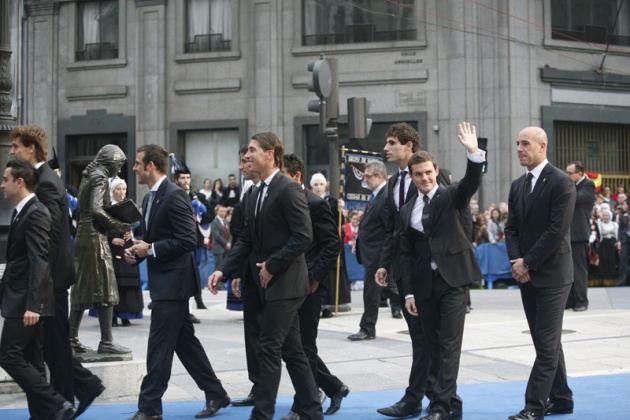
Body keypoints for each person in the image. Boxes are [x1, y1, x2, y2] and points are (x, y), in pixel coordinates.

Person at [208, 132, 323, 420]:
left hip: (287, 283)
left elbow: (303, 235)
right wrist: (224, 269)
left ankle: (262, 414)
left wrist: (272, 265)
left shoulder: (288, 188)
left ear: (270, 154)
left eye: (252, 150)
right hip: (269, 284)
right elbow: (246, 240)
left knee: (269, 348)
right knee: (293, 351)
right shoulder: (255, 193)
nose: (246, 155)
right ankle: (311, 410)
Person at [125, 144, 230, 420]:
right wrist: (136, 251)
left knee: (159, 347)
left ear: (150, 166)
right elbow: (150, 239)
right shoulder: (149, 199)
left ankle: (149, 407)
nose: (133, 168)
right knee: (185, 343)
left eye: (137, 163)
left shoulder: (175, 196)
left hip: (174, 285)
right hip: (164, 282)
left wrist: (150, 249)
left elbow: (187, 240)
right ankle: (216, 393)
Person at [9, 124, 105, 415]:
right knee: (50, 345)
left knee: (54, 344)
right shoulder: (42, 178)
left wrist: (40, 285)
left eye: (16, 147)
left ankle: (69, 399)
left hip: (51, 279)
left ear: (31, 149)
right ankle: (75, 394)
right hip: (48, 279)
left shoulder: (47, 182)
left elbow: (47, 235)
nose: (11, 151)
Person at [399, 122, 484, 420]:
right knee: (434, 347)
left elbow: (471, 182)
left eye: (428, 172)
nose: (424, 178)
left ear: (436, 171)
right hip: (423, 285)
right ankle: (452, 406)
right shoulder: (408, 209)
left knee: (448, 345)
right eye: (418, 174)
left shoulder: (450, 196)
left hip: (453, 281)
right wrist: (407, 291)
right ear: (411, 176)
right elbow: (405, 253)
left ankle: (438, 407)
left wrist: (474, 154)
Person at [504, 126, 575, 420]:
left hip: (553, 276)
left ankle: (534, 406)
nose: (519, 148)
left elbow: (556, 231)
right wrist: (516, 262)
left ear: (542, 146)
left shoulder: (561, 182)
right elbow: (511, 229)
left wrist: (527, 263)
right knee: (545, 341)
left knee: (545, 345)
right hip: (527, 274)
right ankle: (562, 398)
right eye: (518, 143)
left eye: (525, 143)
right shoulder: (518, 185)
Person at [0, 159, 76, 420]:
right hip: (20, 298)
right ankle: (44, 415)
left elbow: (39, 261)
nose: (2, 185)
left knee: (9, 355)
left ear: (19, 182)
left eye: (5, 179)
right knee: (33, 360)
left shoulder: (36, 212)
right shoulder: (21, 211)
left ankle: (57, 403)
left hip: (26, 303)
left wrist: (34, 304)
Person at [280, 153, 348, 419]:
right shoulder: (280, 203)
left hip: (310, 285)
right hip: (286, 285)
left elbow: (333, 245)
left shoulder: (316, 204)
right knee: (293, 346)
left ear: (296, 176)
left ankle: (303, 403)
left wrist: (315, 278)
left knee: (303, 346)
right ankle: (333, 386)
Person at [374, 122, 434, 418]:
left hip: (428, 273)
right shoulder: (394, 183)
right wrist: (385, 263)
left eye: (392, 142)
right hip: (404, 270)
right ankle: (431, 397)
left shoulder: (428, 175)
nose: (386, 148)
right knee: (421, 338)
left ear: (409, 146)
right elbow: (393, 230)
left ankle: (422, 399)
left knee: (427, 339)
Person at [69, 144, 132, 355]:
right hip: (95, 237)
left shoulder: (89, 174)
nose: (120, 171)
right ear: (112, 162)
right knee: (106, 286)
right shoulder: (100, 177)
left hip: (84, 237)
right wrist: (117, 224)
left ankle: (71, 338)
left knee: (82, 287)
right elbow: (96, 208)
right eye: (120, 165)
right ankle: (106, 340)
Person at [348, 160, 402, 341]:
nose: (365, 180)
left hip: (379, 256)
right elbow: (371, 226)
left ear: (379, 176)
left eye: (368, 176)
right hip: (372, 253)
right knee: (389, 289)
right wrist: (359, 241)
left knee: (373, 290)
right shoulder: (376, 196)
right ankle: (419, 307)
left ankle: (367, 327)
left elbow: (390, 230)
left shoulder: (386, 196)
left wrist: (384, 260)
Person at [173, 161, 215, 316]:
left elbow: (211, 214)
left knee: (193, 273)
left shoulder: (198, 196)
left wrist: (199, 217)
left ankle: (194, 304)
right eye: (182, 178)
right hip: (178, 241)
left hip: (194, 241)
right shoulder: (173, 195)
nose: (186, 181)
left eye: (188, 178)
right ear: (176, 180)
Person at [107, 177, 144, 326]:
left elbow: (133, 224)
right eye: (118, 189)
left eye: (123, 189)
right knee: (114, 282)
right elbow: (99, 229)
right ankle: (113, 315)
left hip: (126, 245)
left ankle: (126, 313)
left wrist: (131, 234)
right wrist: (111, 239)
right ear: (112, 191)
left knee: (128, 281)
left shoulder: (128, 206)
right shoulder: (107, 208)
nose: (121, 192)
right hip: (112, 248)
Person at [565, 161, 596, 311]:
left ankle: (582, 301)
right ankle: (570, 300)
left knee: (579, 269)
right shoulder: (571, 186)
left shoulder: (588, 186)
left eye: (570, 173)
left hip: (579, 233)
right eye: (567, 173)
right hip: (568, 233)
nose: (568, 176)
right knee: (567, 269)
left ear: (580, 174)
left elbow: (574, 198)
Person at [210, 205, 232, 270]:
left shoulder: (226, 222)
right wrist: (226, 244)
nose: (223, 213)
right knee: (218, 268)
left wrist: (230, 242)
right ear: (217, 212)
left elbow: (230, 233)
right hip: (218, 249)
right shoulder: (214, 222)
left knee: (224, 268)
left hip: (226, 248)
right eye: (221, 211)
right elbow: (217, 236)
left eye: (224, 211)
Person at [617, 198, 630, 286]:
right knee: (623, 261)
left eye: (625, 204)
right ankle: (622, 281)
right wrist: (619, 241)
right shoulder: (623, 216)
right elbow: (620, 229)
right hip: (625, 239)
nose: (623, 206)